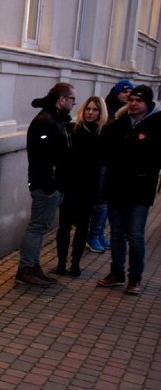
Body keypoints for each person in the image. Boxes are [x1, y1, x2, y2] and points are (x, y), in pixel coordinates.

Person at [97, 85, 161, 295]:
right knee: (116, 233)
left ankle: (135, 278)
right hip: (117, 188)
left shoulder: (156, 126)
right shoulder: (118, 125)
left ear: (147, 103)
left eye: (138, 101)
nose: (133, 104)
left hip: (140, 191)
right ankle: (116, 273)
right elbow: (106, 153)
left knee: (135, 235)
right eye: (131, 100)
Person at [16, 82, 76, 287]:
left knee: (40, 227)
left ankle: (33, 266)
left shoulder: (56, 120)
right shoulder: (46, 121)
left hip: (53, 185)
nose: (74, 103)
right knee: (37, 226)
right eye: (72, 99)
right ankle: (26, 268)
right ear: (62, 99)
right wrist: (50, 185)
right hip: (45, 186)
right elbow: (44, 157)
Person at [54, 96, 107, 277]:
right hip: (70, 186)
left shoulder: (102, 134)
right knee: (64, 227)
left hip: (88, 188)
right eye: (88, 109)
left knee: (83, 228)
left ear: (101, 113)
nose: (91, 112)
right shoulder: (72, 129)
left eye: (95, 110)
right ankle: (61, 263)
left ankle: (75, 263)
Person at [88, 79, 135, 252]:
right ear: (117, 92)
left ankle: (99, 233)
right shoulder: (107, 110)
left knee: (106, 202)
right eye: (125, 92)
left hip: (111, 164)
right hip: (102, 164)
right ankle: (93, 235)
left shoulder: (125, 112)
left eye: (130, 93)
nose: (128, 95)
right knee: (101, 202)